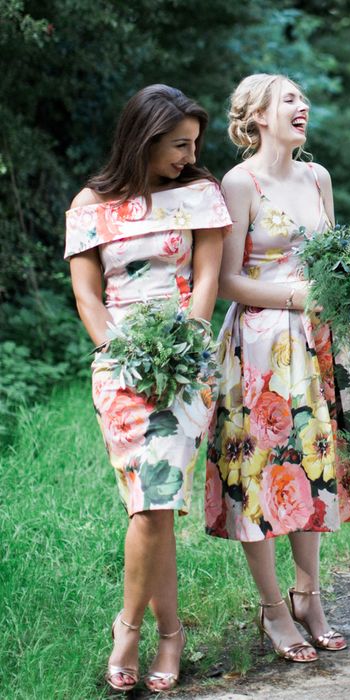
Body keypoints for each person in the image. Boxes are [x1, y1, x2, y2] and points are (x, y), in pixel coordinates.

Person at [205, 73, 350, 663]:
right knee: (261, 469)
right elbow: (228, 280)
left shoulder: (317, 177)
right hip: (260, 345)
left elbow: (331, 255)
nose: (302, 107)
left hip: (319, 340)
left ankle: (310, 595)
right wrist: (299, 297)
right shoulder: (240, 182)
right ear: (257, 116)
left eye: (303, 99)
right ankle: (274, 608)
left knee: (312, 464)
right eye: (289, 99)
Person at [65, 85, 231, 693]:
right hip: (119, 366)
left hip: (185, 363)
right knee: (151, 506)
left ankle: (132, 627)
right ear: (145, 138)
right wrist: (120, 350)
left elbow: (207, 279)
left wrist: (184, 347)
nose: (189, 155)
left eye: (194, 144)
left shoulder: (201, 196)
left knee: (155, 503)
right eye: (178, 145)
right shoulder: (91, 204)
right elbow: (87, 295)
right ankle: (167, 633)